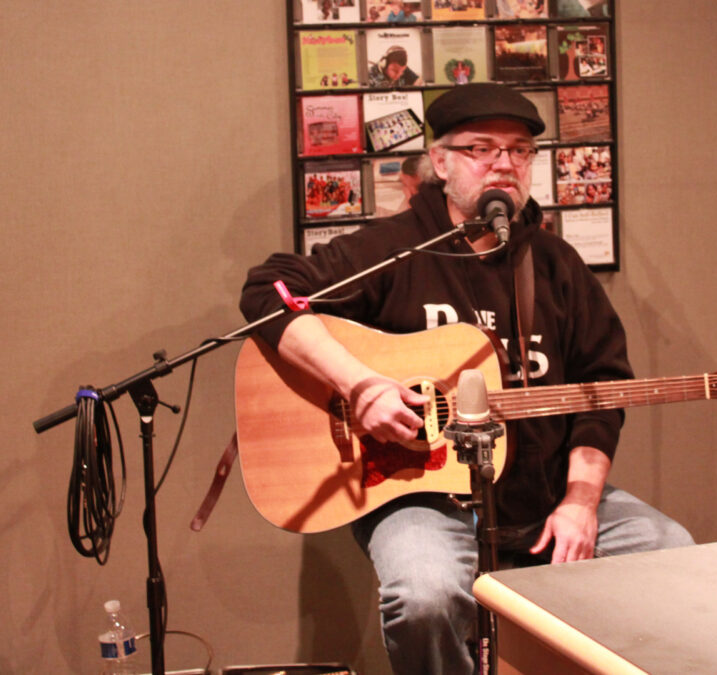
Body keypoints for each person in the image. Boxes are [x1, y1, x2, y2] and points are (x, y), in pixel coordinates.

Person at [239, 83, 692, 675]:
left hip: (543, 493)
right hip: (421, 495)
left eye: (520, 151)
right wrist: (360, 384)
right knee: (424, 597)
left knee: (671, 553)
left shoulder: (556, 266)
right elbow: (268, 292)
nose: (503, 163)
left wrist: (581, 502)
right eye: (482, 148)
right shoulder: (393, 250)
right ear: (442, 162)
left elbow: (601, 389)